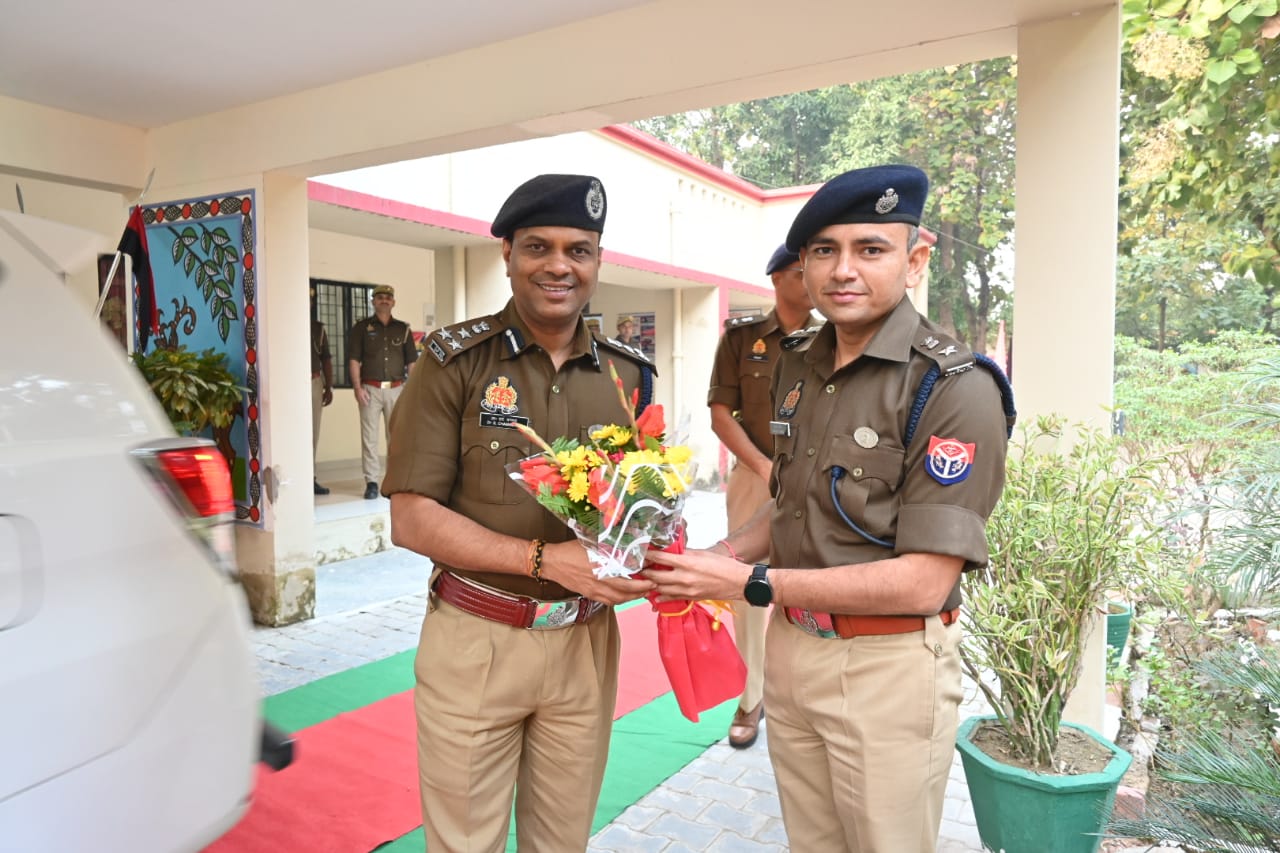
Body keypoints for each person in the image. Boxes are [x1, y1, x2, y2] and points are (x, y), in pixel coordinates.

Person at [646, 164, 1013, 853]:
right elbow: (791, 507)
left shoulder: (952, 386)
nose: (843, 270)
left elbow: (923, 581)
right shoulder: (799, 365)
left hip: (888, 665)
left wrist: (747, 583)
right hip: (794, 649)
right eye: (824, 251)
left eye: (869, 249)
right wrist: (720, 556)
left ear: (915, 259)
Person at [382, 174, 657, 853]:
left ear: (597, 260)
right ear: (507, 253)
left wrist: (653, 552)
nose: (560, 265)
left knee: (562, 843)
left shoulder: (631, 375)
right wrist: (541, 559)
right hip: (479, 634)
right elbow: (411, 517)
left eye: (579, 249)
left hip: (586, 643)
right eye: (539, 246)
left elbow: (639, 503)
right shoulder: (454, 361)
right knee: (464, 843)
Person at [706, 243, 814, 749]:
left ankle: (803, 692)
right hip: (756, 475)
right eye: (801, 270)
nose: (814, 277)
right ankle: (751, 696)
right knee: (744, 586)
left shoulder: (837, 337)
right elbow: (721, 414)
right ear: (777, 277)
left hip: (819, 477)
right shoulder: (742, 339)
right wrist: (765, 468)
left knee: (818, 579)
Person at [347, 284, 416, 499]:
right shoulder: (362, 328)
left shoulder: (403, 329)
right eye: (380, 297)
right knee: (369, 438)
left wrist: (411, 391)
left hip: (397, 390)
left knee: (396, 438)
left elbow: (412, 364)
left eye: (388, 297)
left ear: (393, 302)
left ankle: (394, 479)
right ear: (373, 301)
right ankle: (371, 483)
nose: (384, 300)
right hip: (370, 389)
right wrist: (357, 388)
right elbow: (354, 360)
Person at [310, 288, 334, 495]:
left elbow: (326, 357)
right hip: (290, 385)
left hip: (314, 382)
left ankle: (311, 477)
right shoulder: (285, 320)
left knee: (312, 432)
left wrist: (329, 385)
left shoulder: (317, 328)